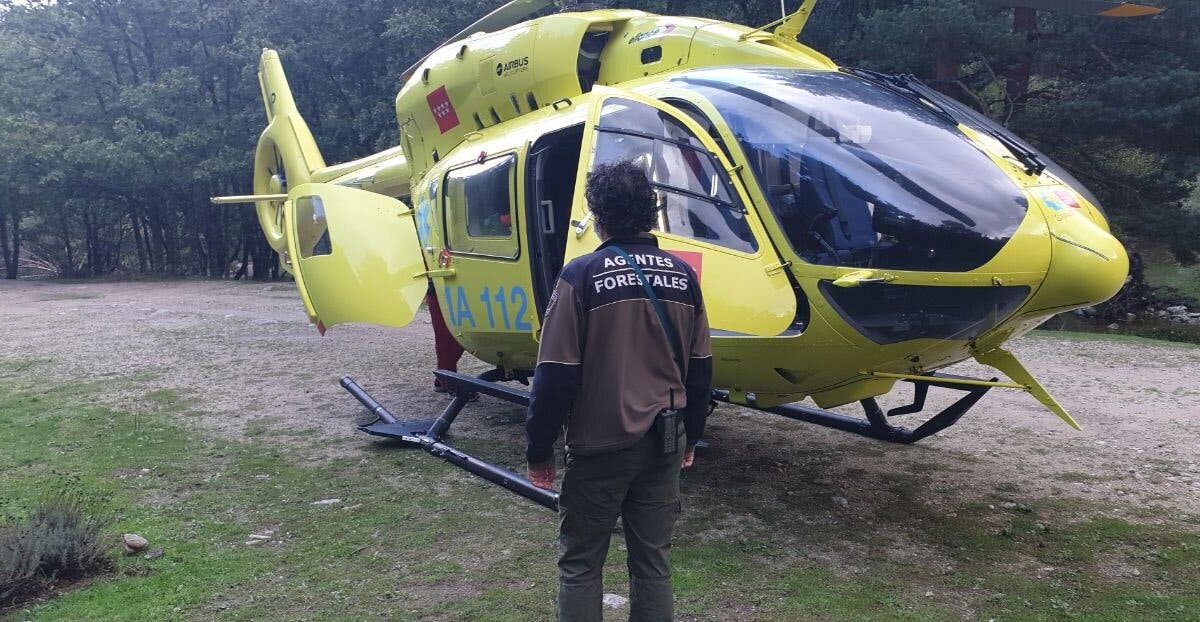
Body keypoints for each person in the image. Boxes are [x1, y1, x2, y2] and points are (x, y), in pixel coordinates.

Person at [525, 160, 713, 621]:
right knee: (653, 563)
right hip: (666, 442)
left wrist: (539, 449)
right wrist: (692, 433)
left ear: (598, 212)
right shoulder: (683, 276)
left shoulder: (580, 275)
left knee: (581, 563)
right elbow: (701, 368)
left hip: (601, 445)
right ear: (651, 211)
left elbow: (554, 373)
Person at [425, 281, 465, 393]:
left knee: (449, 339)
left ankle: (444, 378)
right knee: (447, 339)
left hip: (451, 287)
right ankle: (446, 381)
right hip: (441, 290)